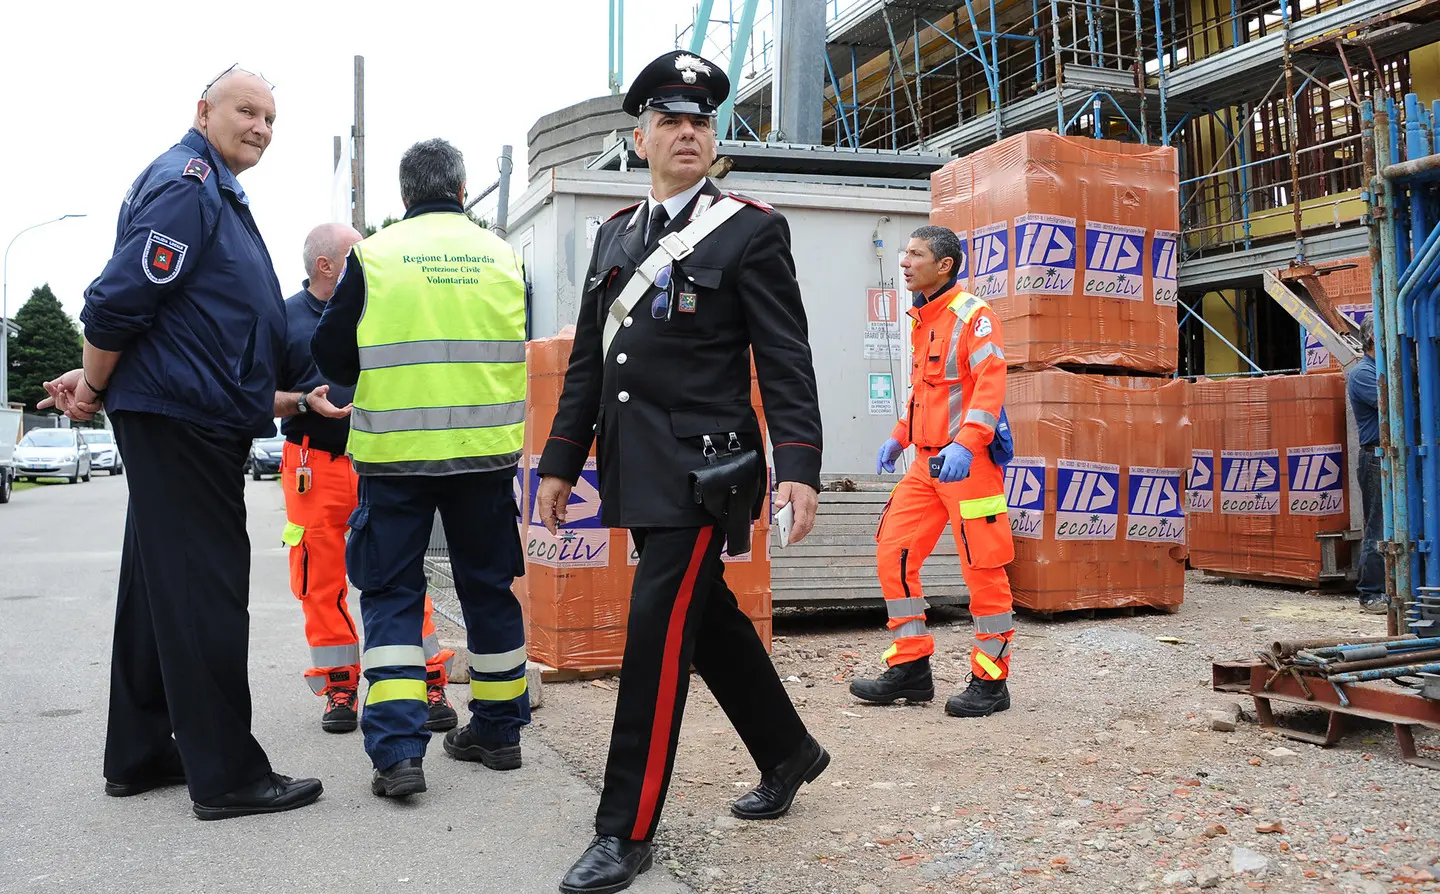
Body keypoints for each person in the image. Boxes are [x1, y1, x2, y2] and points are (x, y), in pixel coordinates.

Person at [536, 50, 827, 894]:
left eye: (700, 121)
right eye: (670, 120)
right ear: (642, 137)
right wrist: (562, 463)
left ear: (714, 135)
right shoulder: (615, 235)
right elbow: (590, 366)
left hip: (709, 476)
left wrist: (799, 466)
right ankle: (790, 750)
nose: (687, 133)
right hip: (637, 469)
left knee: (656, 635)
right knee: (709, 625)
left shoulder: (749, 229)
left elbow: (784, 357)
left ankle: (623, 830)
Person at [40, 65, 322, 820]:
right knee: (206, 592)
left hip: (183, 407)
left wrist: (107, 371)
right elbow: (118, 300)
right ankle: (228, 774)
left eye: (271, 118)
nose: (261, 127)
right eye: (247, 111)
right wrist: (97, 384)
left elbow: (168, 314)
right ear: (204, 110)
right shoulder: (189, 185)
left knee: (154, 589)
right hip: (185, 420)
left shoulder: (207, 187)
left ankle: (139, 752)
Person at [311, 138, 530, 800]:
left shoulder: (374, 257)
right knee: (489, 590)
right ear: (462, 191)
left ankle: (401, 754)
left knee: (393, 597)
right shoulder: (503, 255)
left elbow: (331, 354)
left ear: (405, 195)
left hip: (396, 460)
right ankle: (498, 732)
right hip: (484, 457)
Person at [273, 222, 459, 733]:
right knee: (319, 579)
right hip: (315, 466)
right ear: (326, 265)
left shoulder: (383, 306)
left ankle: (425, 678)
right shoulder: (282, 318)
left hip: (384, 460)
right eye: (357, 255)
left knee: (400, 571)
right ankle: (339, 684)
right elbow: (251, 393)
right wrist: (301, 401)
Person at [851, 225, 1017, 719]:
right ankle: (911, 667)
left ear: (944, 265)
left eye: (916, 255)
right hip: (925, 464)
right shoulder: (923, 318)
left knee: (983, 569)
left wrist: (968, 444)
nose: (905, 262)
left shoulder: (974, 317)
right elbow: (928, 392)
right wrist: (899, 435)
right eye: (904, 254)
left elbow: (990, 388)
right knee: (894, 551)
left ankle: (991, 680)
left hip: (970, 466)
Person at [1347, 315, 1386, 613]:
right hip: (1375, 457)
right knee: (1379, 526)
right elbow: (1394, 401)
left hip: (1392, 454)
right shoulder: (1363, 373)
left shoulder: (1381, 369)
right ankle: (1370, 593)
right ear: (1373, 338)